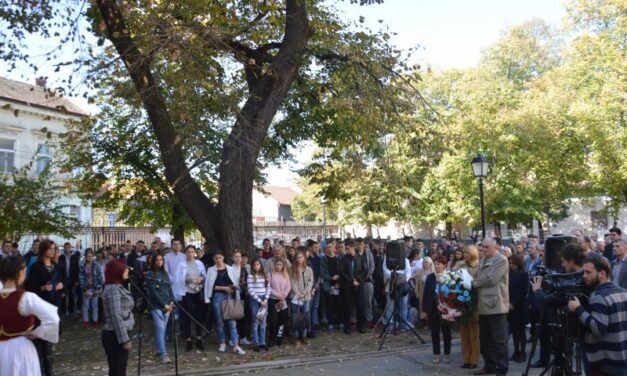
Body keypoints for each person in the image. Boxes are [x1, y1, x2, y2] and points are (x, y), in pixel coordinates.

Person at [0, 255, 60, 376]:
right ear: (20, 272)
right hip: (21, 350)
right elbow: (53, 318)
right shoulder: (26, 298)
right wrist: (37, 333)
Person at [568, 256, 627, 376]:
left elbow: (598, 329)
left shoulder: (599, 296)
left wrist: (578, 309)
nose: (584, 276)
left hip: (606, 364)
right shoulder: (623, 292)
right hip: (622, 359)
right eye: (584, 272)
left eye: (588, 272)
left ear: (602, 273)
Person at [26, 239, 64, 376]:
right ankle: (39, 370)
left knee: (49, 344)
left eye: (54, 248)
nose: (52, 251)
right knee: (40, 342)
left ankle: (49, 371)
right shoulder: (36, 267)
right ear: (44, 250)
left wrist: (60, 286)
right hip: (40, 308)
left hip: (53, 305)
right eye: (50, 248)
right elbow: (30, 288)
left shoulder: (56, 266)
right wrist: (42, 288)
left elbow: (61, 281)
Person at [472, 239, 510, 376]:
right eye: (482, 246)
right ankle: (489, 366)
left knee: (499, 341)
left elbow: (491, 279)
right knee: (485, 340)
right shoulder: (483, 259)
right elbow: (481, 276)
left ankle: (501, 369)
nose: (484, 249)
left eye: (487, 247)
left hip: (496, 305)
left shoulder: (501, 260)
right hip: (483, 305)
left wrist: (473, 283)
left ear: (495, 247)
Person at [203, 251, 245, 355]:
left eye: (220, 257)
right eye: (216, 258)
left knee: (232, 322)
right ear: (214, 259)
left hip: (229, 296)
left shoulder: (230, 269)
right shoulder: (211, 270)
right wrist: (223, 288)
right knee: (220, 321)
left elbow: (234, 282)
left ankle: (235, 344)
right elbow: (210, 286)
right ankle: (222, 342)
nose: (218, 260)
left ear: (223, 257)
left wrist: (233, 289)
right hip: (217, 296)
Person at [102, 259, 135, 376]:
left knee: (121, 369)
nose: (127, 270)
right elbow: (115, 315)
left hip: (119, 334)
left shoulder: (117, 287)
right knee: (117, 370)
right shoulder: (112, 289)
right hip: (114, 336)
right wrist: (124, 340)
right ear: (117, 271)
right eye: (125, 268)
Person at [173, 245, 206, 351]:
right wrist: (186, 280)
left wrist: (200, 280)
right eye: (188, 252)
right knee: (187, 317)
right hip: (187, 293)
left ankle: (199, 339)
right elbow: (177, 279)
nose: (190, 254)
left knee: (199, 316)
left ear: (195, 253)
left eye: (192, 252)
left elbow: (204, 277)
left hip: (198, 292)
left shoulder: (199, 263)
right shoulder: (181, 265)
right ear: (185, 253)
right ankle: (188, 340)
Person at [422, 255, 452, 364]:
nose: (436, 266)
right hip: (433, 308)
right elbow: (425, 294)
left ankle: (447, 354)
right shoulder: (430, 277)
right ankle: (436, 354)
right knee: (435, 332)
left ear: (444, 265)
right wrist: (425, 310)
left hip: (446, 309)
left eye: (438, 264)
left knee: (446, 332)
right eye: (435, 264)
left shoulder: (450, 277)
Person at [145, 252, 174, 364]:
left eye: (161, 260)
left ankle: (159, 349)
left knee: (162, 329)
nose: (159, 262)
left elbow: (169, 288)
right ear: (153, 262)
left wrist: (171, 301)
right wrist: (164, 305)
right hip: (156, 306)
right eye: (157, 260)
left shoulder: (165, 274)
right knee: (160, 328)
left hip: (167, 305)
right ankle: (163, 353)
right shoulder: (150, 274)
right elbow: (153, 292)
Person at [338, 239, 367, 335]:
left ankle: (360, 326)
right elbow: (342, 272)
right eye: (345, 249)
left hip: (359, 285)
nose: (347, 251)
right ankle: (347, 327)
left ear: (353, 247)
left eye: (348, 248)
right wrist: (351, 281)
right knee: (347, 307)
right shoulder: (344, 259)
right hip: (348, 286)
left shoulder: (361, 258)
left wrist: (358, 281)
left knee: (360, 306)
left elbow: (364, 271)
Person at [459, 245, 481, 369]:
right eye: (464, 253)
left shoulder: (478, 266)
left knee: (474, 334)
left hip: (473, 303)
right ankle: (465, 359)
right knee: (464, 334)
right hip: (461, 303)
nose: (464, 255)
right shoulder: (460, 265)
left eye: (467, 253)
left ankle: (474, 360)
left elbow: (479, 282)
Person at [508, 254, 529, 363]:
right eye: (510, 263)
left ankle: (522, 352)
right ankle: (516, 351)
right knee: (514, 331)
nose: (511, 266)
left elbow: (523, 292)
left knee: (521, 331)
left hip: (520, 306)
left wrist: (514, 304)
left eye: (513, 263)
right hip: (510, 306)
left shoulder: (524, 275)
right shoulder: (510, 274)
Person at [290, 250, 314, 344]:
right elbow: (292, 282)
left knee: (305, 315)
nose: (299, 259)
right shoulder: (292, 269)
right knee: (295, 315)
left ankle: (304, 335)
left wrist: (304, 293)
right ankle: (296, 336)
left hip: (306, 296)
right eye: (297, 258)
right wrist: (298, 293)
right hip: (296, 296)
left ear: (304, 258)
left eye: (300, 257)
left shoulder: (309, 269)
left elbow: (310, 282)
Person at [247, 258, 271, 351]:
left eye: (258, 264)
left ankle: (262, 342)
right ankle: (255, 342)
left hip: (264, 299)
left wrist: (265, 299)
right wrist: (259, 301)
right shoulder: (250, 276)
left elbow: (268, 288)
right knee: (255, 322)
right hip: (255, 300)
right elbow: (250, 290)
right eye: (254, 265)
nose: (256, 266)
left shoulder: (264, 276)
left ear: (261, 265)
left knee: (263, 322)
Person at [267, 258, 291, 347]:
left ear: (283, 266)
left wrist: (283, 296)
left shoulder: (286, 275)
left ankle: (280, 338)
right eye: (277, 264)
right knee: (273, 320)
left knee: (282, 320)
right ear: (274, 265)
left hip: (283, 300)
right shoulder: (270, 274)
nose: (279, 266)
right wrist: (278, 295)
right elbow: (268, 287)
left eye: (280, 265)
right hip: (273, 300)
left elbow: (288, 286)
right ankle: (272, 338)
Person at [79, 248, 104, 327]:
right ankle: (86, 320)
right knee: (85, 305)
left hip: (95, 287)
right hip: (86, 288)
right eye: (88, 256)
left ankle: (95, 320)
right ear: (85, 257)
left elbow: (100, 277)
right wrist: (84, 289)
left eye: (91, 256)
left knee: (95, 305)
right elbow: (81, 277)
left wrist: (99, 288)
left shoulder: (96, 265)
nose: (89, 258)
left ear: (93, 257)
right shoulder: (82, 266)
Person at [320, 243, 341, 332]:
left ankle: (338, 322)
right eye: (327, 247)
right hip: (328, 285)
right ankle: (330, 323)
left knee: (338, 304)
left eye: (330, 247)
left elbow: (342, 270)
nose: (329, 249)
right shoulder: (323, 259)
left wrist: (338, 282)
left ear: (334, 248)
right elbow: (323, 272)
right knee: (329, 305)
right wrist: (331, 278)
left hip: (337, 285)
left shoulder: (338, 258)